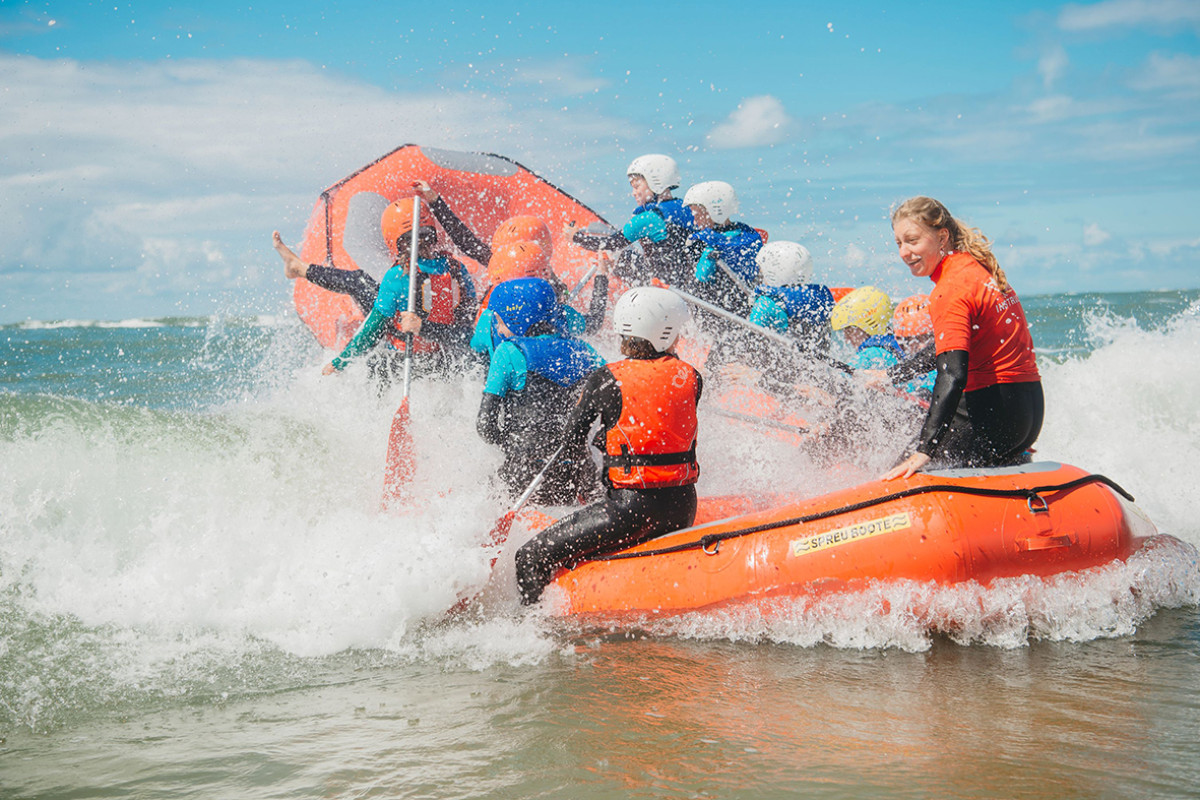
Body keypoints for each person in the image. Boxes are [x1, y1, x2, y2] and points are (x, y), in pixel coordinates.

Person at [514, 286, 702, 605]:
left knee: (530, 557)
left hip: (632, 510)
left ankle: (530, 634)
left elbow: (573, 440)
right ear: (666, 333)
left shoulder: (606, 379)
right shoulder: (692, 376)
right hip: (683, 507)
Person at [883, 196, 1043, 479]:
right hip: (1027, 414)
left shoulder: (949, 289)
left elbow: (952, 374)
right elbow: (948, 346)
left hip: (992, 415)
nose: (904, 253)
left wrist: (926, 449)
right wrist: (890, 375)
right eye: (899, 243)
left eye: (912, 240)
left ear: (942, 237)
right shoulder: (978, 269)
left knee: (897, 477)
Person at [413, 180, 609, 336]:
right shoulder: (551, 291)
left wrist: (434, 200)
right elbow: (592, 323)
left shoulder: (545, 289)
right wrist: (602, 275)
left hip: (488, 358)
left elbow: (465, 241)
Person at [309, 197, 478, 376]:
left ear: (392, 239)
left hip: (405, 362)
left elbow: (372, 330)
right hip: (448, 362)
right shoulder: (457, 269)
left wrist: (340, 362)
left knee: (376, 362)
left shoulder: (397, 276)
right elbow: (468, 330)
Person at [475, 277, 606, 506]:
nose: (496, 326)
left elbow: (485, 426)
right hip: (577, 473)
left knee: (484, 490)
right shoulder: (584, 351)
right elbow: (614, 394)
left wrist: (509, 443)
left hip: (524, 472)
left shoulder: (507, 352)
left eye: (499, 320)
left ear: (518, 318)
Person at [565, 154, 698, 289]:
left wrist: (576, 237)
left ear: (655, 183)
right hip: (684, 290)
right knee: (629, 257)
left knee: (623, 257)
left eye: (636, 186)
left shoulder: (648, 218)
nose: (633, 193)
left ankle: (603, 280)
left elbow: (608, 244)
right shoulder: (688, 211)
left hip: (660, 291)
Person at [683, 180, 764, 317]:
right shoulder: (750, 236)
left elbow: (700, 282)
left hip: (719, 314)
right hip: (747, 309)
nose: (695, 222)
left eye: (697, 215)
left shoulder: (708, 245)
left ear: (713, 212)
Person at [748, 240, 835, 352]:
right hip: (811, 365)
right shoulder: (819, 301)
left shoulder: (766, 304)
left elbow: (751, 345)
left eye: (762, 272)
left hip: (776, 366)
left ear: (773, 272)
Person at [830, 286, 905, 370]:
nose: (847, 339)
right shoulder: (895, 347)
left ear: (868, 327)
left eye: (849, 331)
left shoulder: (870, 354)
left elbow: (840, 380)